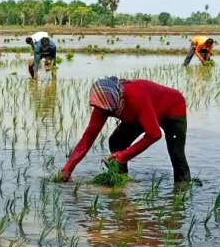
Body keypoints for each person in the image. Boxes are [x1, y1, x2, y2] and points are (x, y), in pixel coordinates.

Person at [57, 77, 191, 183]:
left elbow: (154, 134)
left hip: (172, 108)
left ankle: (182, 190)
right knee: (117, 141)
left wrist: (123, 156)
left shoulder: (136, 97)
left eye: (109, 111)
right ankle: (121, 179)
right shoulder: (102, 106)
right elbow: (87, 139)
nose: (105, 113)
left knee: (176, 154)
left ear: (118, 101)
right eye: (103, 111)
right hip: (140, 114)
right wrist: (68, 169)